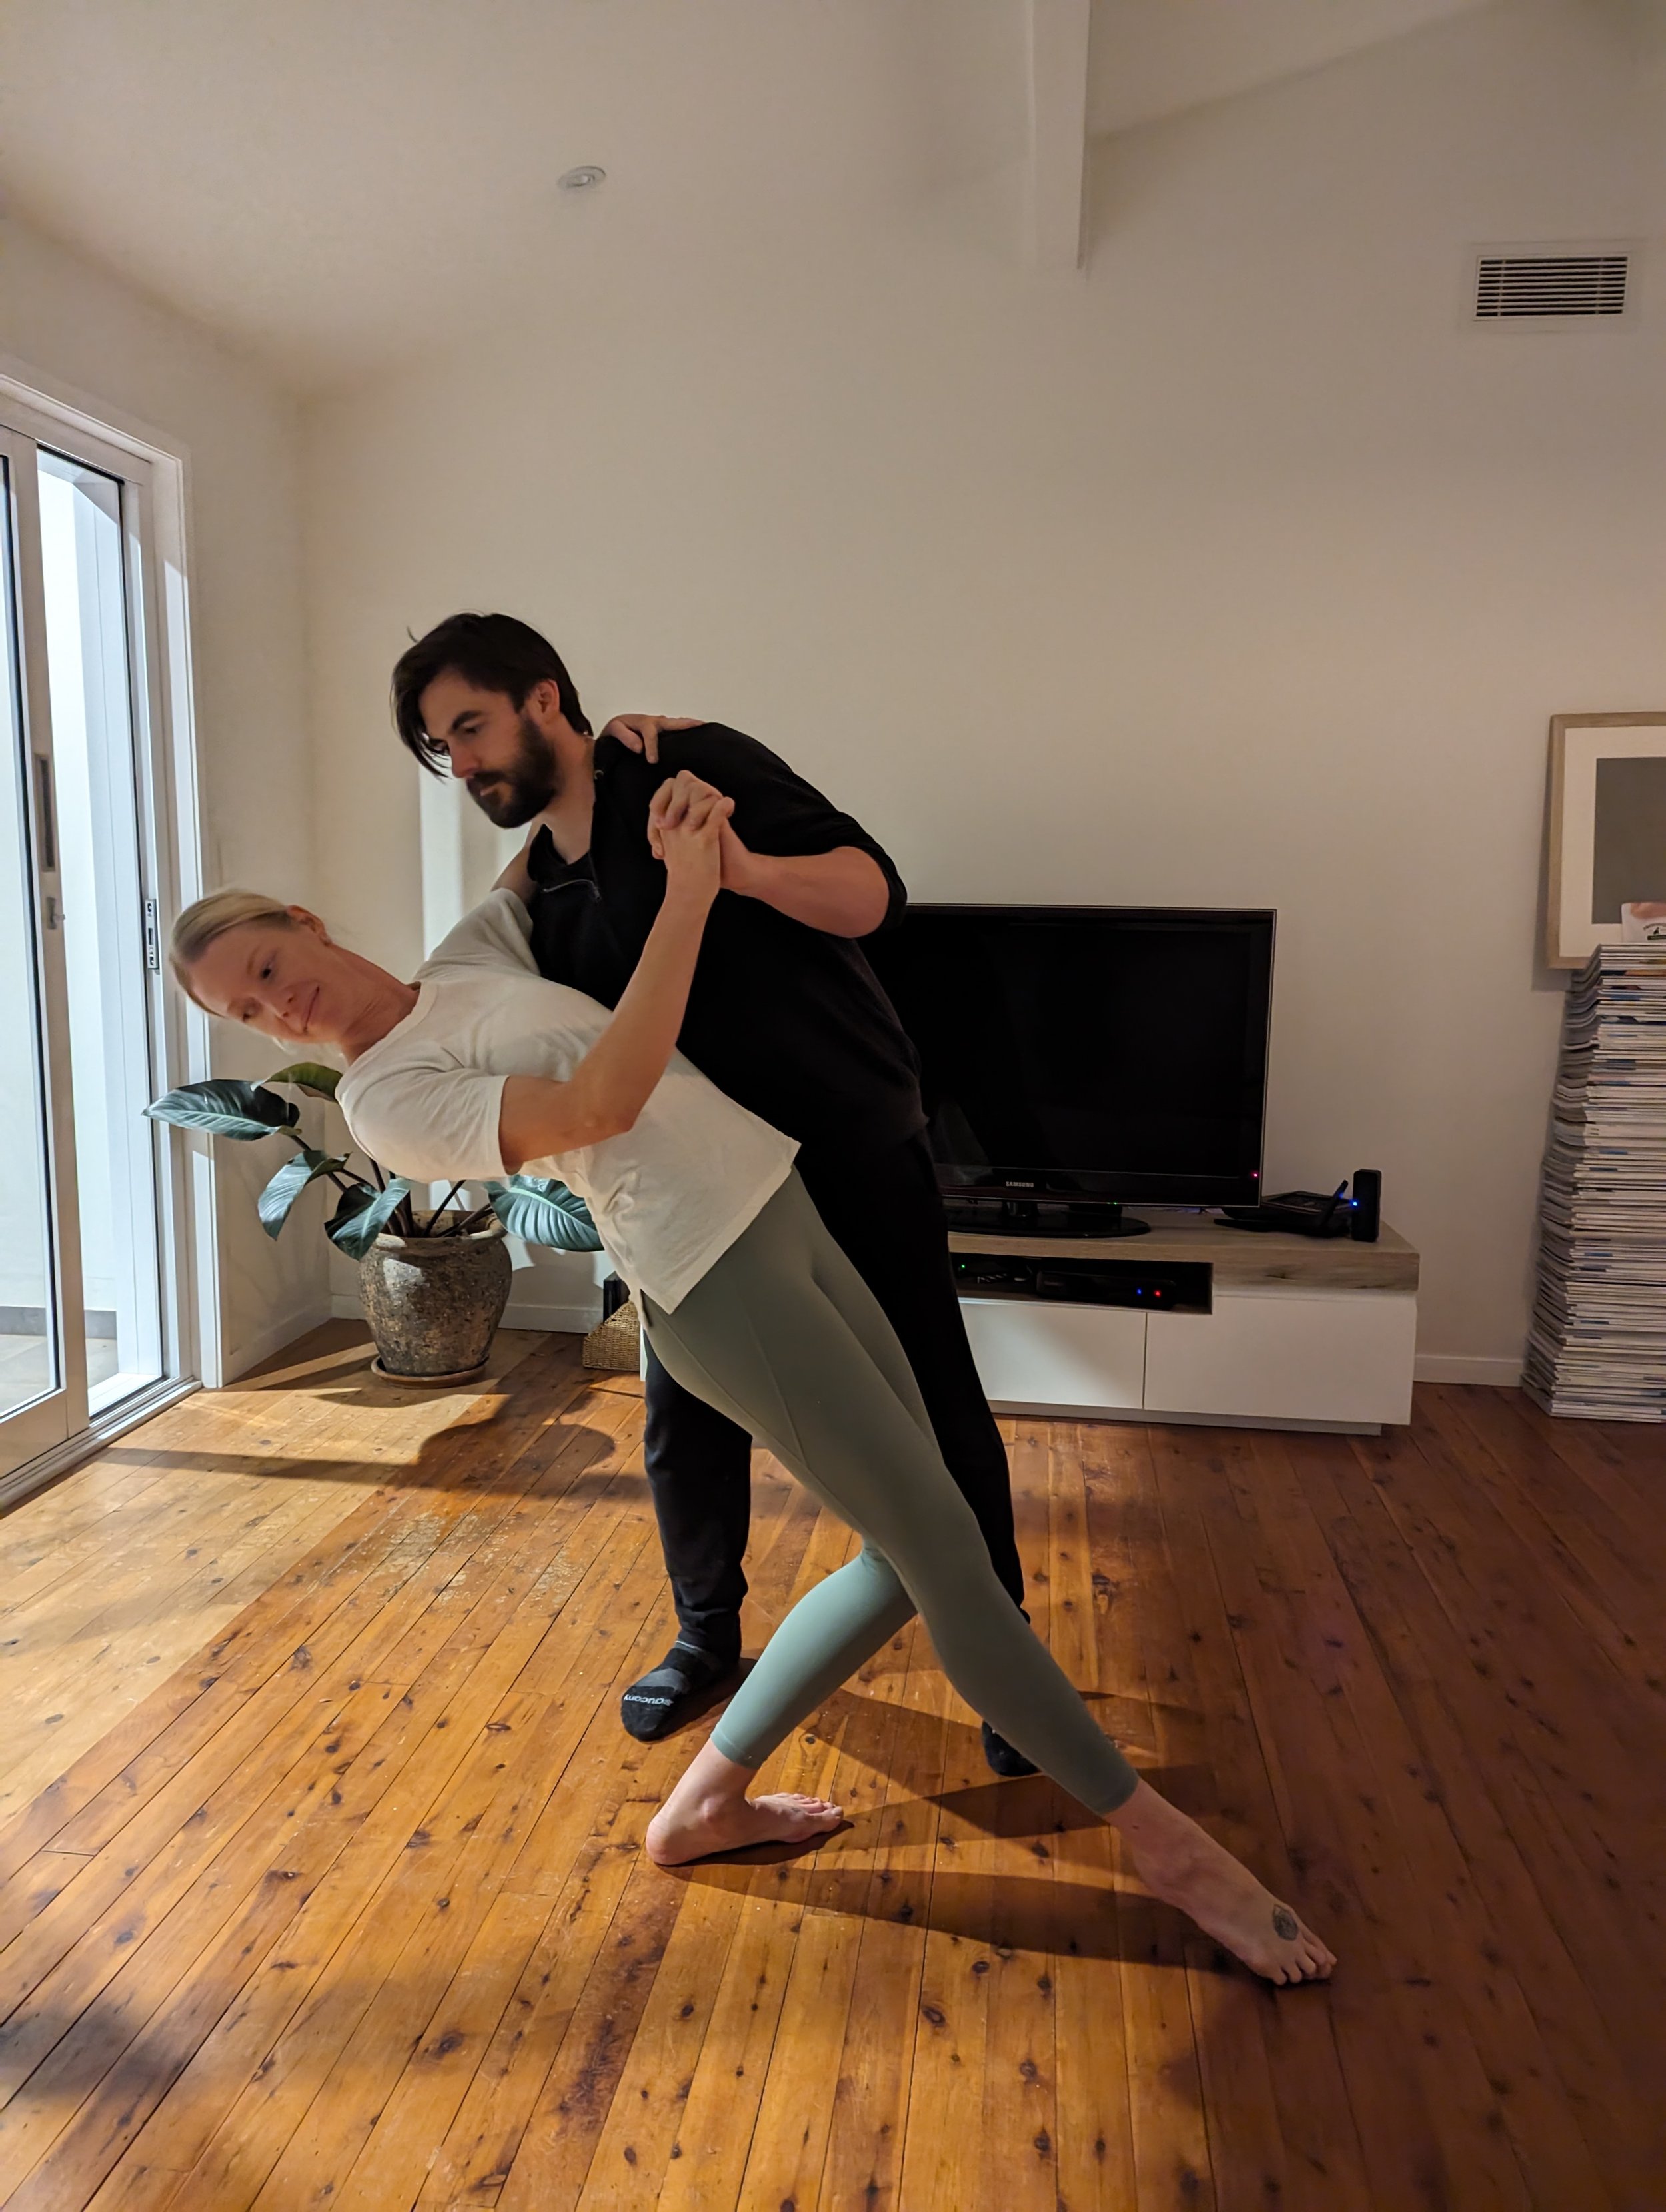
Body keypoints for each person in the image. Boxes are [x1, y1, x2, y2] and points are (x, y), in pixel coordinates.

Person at [167, 806, 1335, 1985]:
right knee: (946, 1551)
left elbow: (550, 825)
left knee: (902, 1555)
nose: (278, 1009)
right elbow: (601, 1106)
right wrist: (689, 893)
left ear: (304, 923)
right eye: (247, 1014)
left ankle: (699, 1811)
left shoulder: (466, 961)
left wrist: (651, 738)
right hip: (709, 1279)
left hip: (779, 1210)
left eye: (265, 968)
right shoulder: (385, 1100)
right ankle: (1173, 1854)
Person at [389, 613, 1037, 1775]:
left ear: (545, 698)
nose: (464, 762)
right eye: (445, 747)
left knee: (934, 1397)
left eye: (472, 727)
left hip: (844, 1137)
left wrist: (737, 870)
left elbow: (873, 895)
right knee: (683, 1417)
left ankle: (1006, 1664)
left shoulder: (689, 768)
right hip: (699, 1188)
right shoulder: (534, 887)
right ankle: (706, 1637)